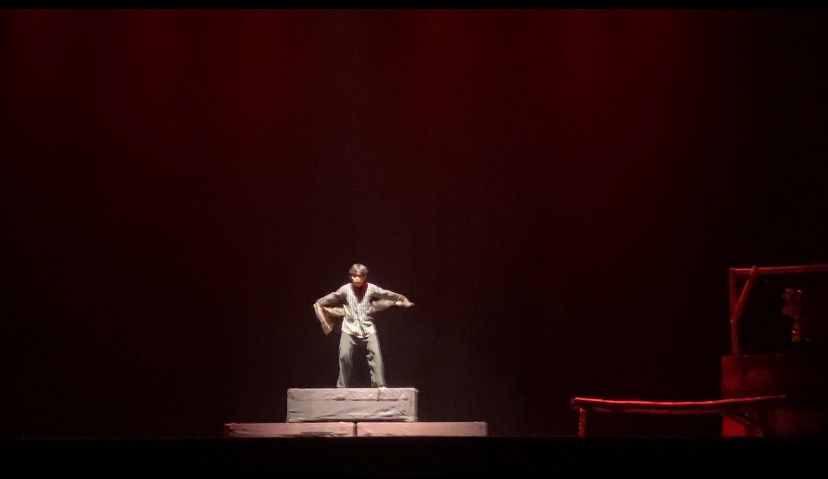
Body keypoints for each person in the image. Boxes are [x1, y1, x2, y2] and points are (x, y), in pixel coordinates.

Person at [314, 263, 413, 388]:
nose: (357, 279)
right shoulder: (345, 289)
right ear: (351, 277)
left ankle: (379, 385)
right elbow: (333, 296)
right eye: (354, 276)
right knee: (344, 355)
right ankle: (342, 386)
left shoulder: (371, 288)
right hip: (349, 329)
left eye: (360, 276)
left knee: (376, 355)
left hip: (367, 328)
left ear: (365, 277)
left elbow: (385, 293)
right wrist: (320, 302)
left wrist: (401, 298)